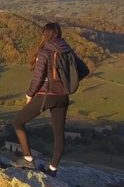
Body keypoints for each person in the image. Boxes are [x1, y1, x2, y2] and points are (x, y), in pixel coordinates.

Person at [11, 22, 86, 177]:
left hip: (46, 96)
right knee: (59, 134)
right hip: (63, 97)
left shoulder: (45, 52)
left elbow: (37, 78)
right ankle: (52, 170)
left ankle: (28, 159)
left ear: (45, 34)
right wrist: (68, 83)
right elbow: (84, 70)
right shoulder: (67, 50)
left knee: (18, 122)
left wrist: (29, 94)